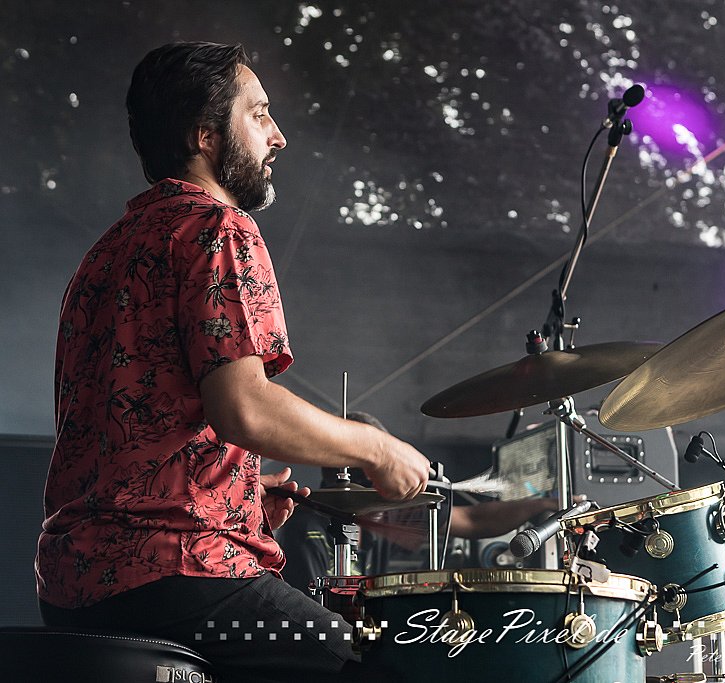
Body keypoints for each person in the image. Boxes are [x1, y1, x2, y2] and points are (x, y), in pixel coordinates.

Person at [35, 42, 429, 683]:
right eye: (260, 114)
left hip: (71, 584)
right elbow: (245, 409)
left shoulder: (105, 253)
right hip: (176, 575)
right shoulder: (217, 228)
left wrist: (237, 496)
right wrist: (378, 450)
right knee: (383, 661)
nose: (278, 136)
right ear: (206, 137)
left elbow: (134, 427)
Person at [276, 411, 569, 593]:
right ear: (367, 475)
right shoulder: (307, 528)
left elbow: (474, 520)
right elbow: (313, 612)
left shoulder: (384, 514)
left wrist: (540, 506)